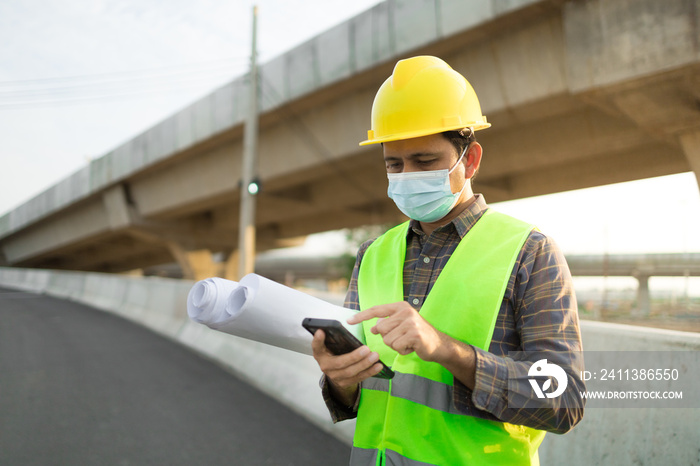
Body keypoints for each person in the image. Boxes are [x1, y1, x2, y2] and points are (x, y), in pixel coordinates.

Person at [311, 55, 585, 465]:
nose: (406, 176)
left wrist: (446, 350)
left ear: (470, 159)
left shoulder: (530, 252)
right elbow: (356, 397)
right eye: (394, 164)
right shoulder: (373, 254)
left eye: (424, 162)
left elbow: (563, 400)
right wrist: (339, 378)